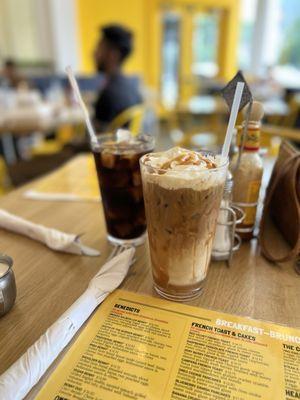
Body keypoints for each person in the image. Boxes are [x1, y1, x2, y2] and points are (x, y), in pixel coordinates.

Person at [93, 24, 143, 131]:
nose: (94, 53)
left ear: (113, 54)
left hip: (113, 146)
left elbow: (97, 142)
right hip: (128, 144)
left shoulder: (108, 96)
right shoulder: (132, 87)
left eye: (99, 47)